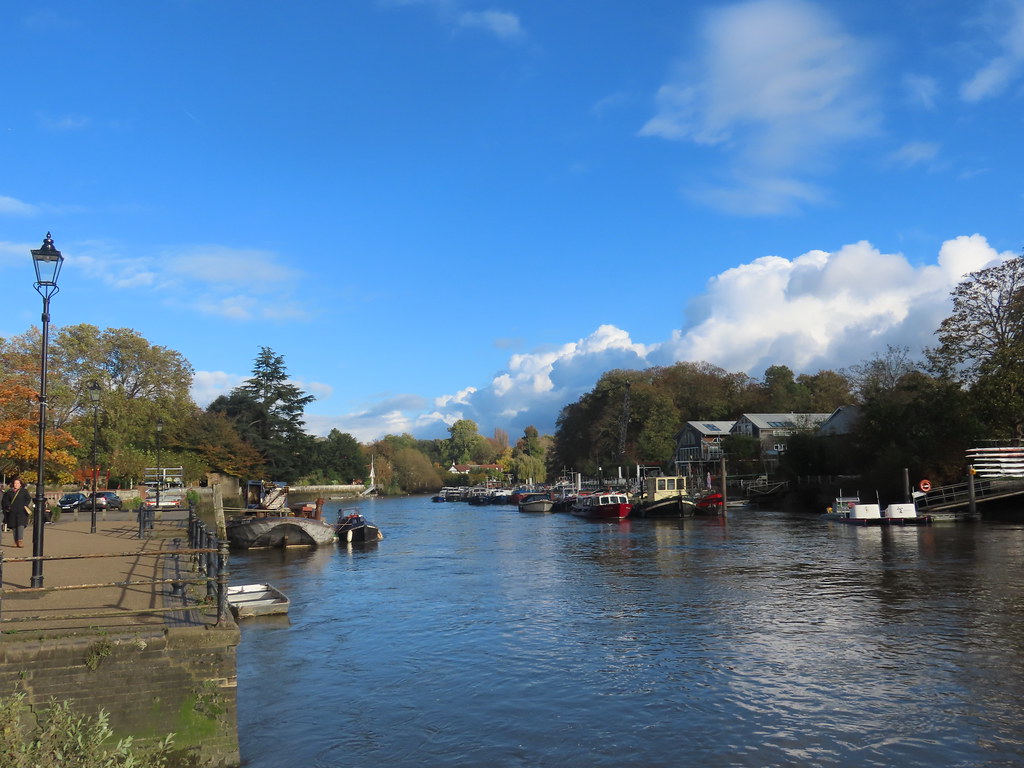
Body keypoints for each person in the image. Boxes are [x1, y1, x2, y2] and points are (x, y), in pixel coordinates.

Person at [2, 478, 32, 547]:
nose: (16, 484)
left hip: (22, 512)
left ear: (20, 484)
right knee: (14, 527)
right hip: (12, 512)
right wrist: (9, 506)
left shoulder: (24, 491)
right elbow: (5, 500)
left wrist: (24, 505)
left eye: (18, 483)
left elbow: (28, 498)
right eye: (15, 483)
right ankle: (15, 541)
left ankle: (20, 540)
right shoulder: (9, 492)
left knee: (20, 526)